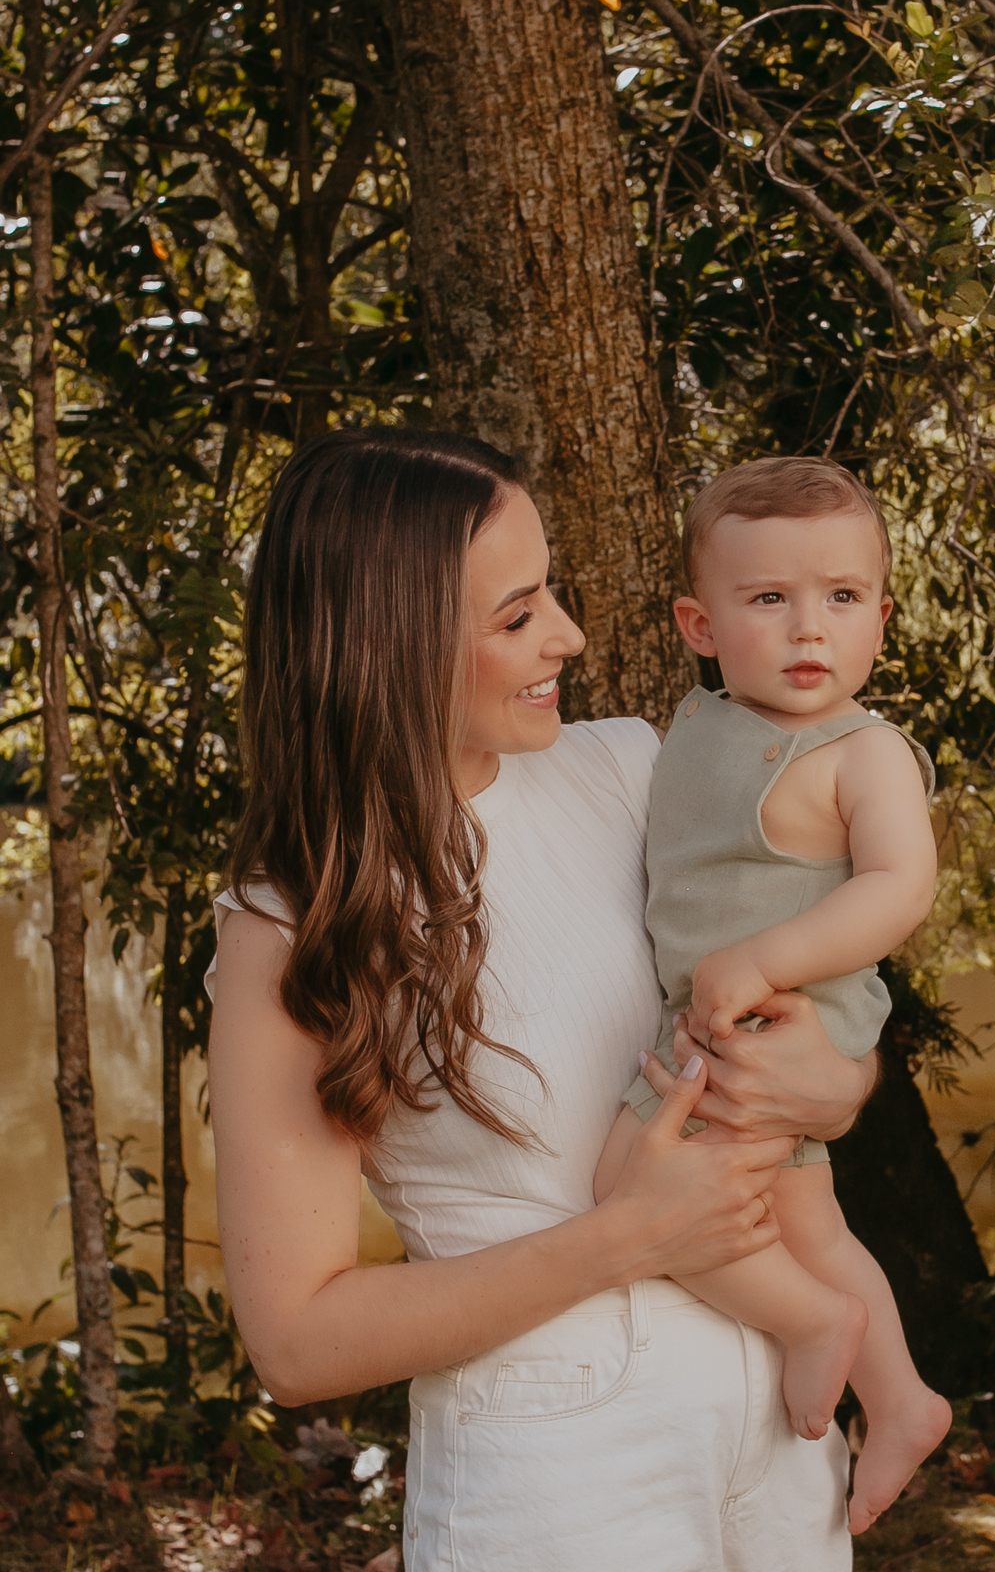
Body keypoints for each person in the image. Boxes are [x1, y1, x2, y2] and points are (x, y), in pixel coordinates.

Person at [205, 429, 876, 1572]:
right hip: (559, 1477)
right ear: (389, 645)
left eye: (549, 593)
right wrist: (624, 1240)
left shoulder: (630, 770)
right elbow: (296, 1341)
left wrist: (839, 1087)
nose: (566, 635)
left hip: (777, 1423)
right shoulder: (295, 919)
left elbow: (798, 1032)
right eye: (517, 617)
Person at [595, 457, 952, 1536]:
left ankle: (827, 1338)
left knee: (632, 1188)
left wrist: (768, 961)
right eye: (770, 600)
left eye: (842, 599)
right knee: (798, 1211)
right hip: (716, 1021)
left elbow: (900, 888)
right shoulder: (692, 728)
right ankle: (894, 1393)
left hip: (780, 1019)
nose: (810, 630)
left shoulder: (865, 752)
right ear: (700, 626)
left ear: (881, 618)